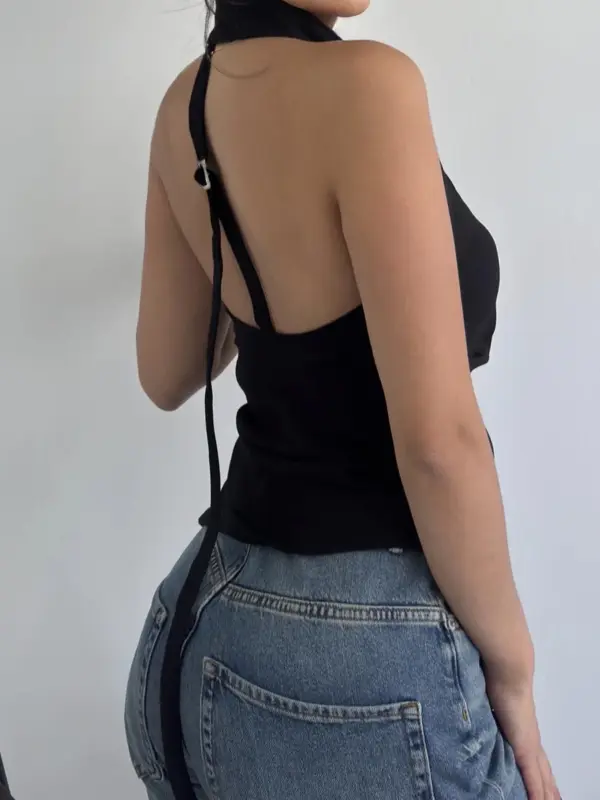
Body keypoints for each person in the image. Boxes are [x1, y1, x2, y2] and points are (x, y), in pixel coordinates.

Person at [124, 1, 560, 798]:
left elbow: (165, 371)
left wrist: (256, 244)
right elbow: (439, 445)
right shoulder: (369, 86)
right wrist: (516, 674)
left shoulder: (186, 102)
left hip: (193, 633)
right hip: (358, 668)